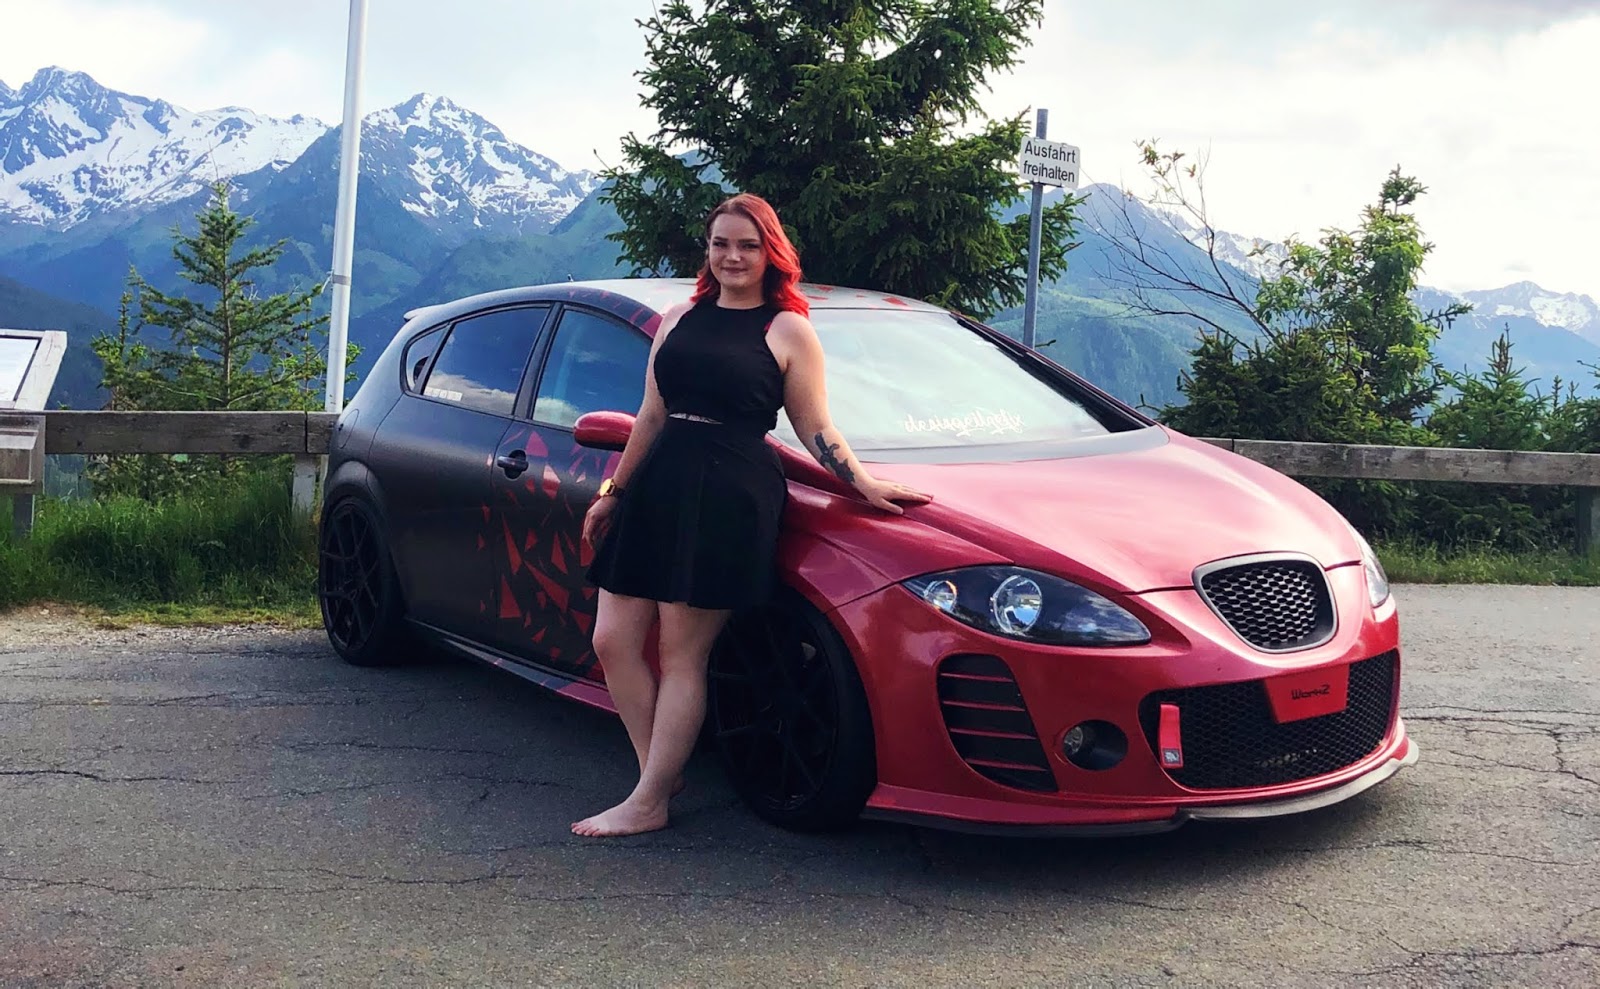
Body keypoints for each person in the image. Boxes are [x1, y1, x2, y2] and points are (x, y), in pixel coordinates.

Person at [572, 192, 933, 838]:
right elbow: (651, 415)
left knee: (681, 652)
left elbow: (815, 425)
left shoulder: (788, 329)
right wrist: (613, 493)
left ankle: (648, 800)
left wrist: (862, 483)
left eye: (747, 245)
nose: (733, 256)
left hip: (730, 490)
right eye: (721, 244)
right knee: (613, 640)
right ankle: (658, 771)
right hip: (659, 484)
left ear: (771, 253)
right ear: (707, 251)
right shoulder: (680, 318)